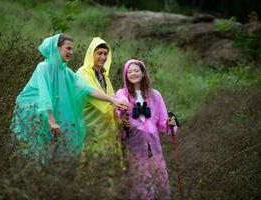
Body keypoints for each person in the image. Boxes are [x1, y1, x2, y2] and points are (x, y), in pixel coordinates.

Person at [10, 33, 128, 161]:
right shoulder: (43, 67)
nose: (71, 52)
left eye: (72, 49)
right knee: (36, 152)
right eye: (68, 48)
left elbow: (87, 88)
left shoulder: (65, 71)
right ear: (57, 48)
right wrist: (51, 120)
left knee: (55, 154)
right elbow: (45, 95)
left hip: (53, 114)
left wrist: (112, 100)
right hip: (36, 114)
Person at [115, 59, 178, 200]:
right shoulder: (122, 93)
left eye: (136, 70)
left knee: (160, 177)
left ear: (143, 73)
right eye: (129, 71)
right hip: (134, 143)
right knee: (139, 180)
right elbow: (118, 108)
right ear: (126, 75)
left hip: (153, 144)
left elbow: (162, 122)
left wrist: (169, 123)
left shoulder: (155, 95)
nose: (133, 73)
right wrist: (125, 112)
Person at [76, 37, 121, 157]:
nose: (103, 57)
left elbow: (111, 96)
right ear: (92, 54)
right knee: (90, 155)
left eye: (106, 54)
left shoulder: (104, 75)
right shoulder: (83, 72)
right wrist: (112, 100)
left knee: (106, 158)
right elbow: (90, 91)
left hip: (105, 126)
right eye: (99, 53)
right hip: (90, 124)